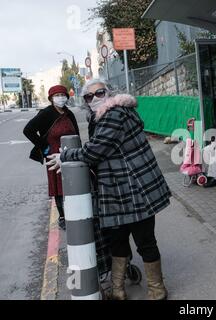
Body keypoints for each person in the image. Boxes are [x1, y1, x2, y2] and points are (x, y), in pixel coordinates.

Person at [47, 79, 172, 300]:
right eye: (89, 96)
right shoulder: (105, 116)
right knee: (119, 241)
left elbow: (95, 151)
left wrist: (64, 155)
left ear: (109, 93)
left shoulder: (115, 114)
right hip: (118, 191)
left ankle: (156, 290)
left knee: (144, 241)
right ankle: (118, 290)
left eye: (99, 93)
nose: (94, 99)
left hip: (134, 189)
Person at [23, 85, 79, 230]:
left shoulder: (69, 113)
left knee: (73, 184)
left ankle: (75, 211)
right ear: (51, 98)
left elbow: (77, 134)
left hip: (71, 154)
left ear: (67, 97)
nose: (60, 97)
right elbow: (28, 130)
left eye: (62, 94)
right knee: (58, 185)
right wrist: (44, 146)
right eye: (57, 95)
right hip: (53, 155)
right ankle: (62, 216)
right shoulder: (46, 113)